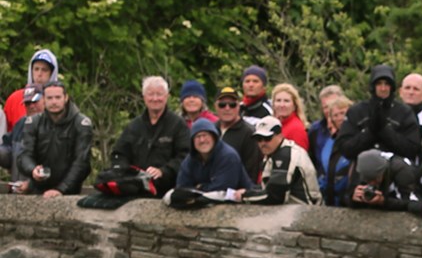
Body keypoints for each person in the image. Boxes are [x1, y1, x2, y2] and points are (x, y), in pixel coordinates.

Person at [79, 76, 190, 208]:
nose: (155, 98)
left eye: (159, 94)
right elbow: (119, 154)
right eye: (151, 94)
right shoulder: (134, 126)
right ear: (144, 97)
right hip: (135, 189)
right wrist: (126, 173)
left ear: (167, 96)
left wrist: (163, 171)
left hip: (165, 190)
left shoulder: (178, 125)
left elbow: (185, 156)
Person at [17, 81, 93, 196]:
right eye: (50, 98)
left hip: (69, 191)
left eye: (58, 97)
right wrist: (32, 170)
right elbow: (24, 155)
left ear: (66, 98)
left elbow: (82, 162)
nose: (54, 102)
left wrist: (61, 189)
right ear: (43, 100)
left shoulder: (81, 123)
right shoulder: (33, 122)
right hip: (38, 188)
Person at [335, 64, 421, 163]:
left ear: (392, 87)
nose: (383, 88)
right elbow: (344, 148)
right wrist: (369, 132)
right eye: (379, 84)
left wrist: (386, 131)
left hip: (395, 169)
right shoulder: (357, 111)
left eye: (386, 84)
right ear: (373, 86)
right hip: (362, 170)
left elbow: (412, 149)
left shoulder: (404, 112)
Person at [164, 118, 252, 208]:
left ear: (214, 137)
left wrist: (199, 187)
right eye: (198, 137)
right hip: (202, 205)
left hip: (237, 207)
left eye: (205, 135)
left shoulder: (228, 156)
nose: (202, 140)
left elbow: (222, 190)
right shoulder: (189, 160)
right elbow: (182, 189)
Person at [234, 116, 321, 205]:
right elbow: (267, 188)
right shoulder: (272, 152)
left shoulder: (286, 154)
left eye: (267, 138)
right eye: (259, 139)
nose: (263, 143)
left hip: (308, 210)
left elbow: (275, 197)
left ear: (280, 136)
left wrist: (245, 195)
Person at [3, 48, 60, 132]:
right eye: (36, 69)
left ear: (52, 73)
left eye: (44, 70)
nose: (39, 74)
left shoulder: (59, 100)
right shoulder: (15, 99)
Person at [214, 85, 262, 183]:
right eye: (222, 105)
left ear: (238, 106)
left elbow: (252, 171)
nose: (227, 108)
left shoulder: (249, 133)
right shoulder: (211, 130)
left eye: (232, 105)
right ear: (215, 106)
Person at [0, 85, 44, 184]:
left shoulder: (55, 126)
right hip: (18, 189)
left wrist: (30, 185)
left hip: (43, 192)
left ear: (44, 100)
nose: (31, 106)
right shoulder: (20, 124)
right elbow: (8, 152)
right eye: (28, 103)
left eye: (35, 101)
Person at [344, 149, 415, 210]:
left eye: (375, 179)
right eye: (368, 180)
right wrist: (353, 199)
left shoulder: (401, 170)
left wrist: (384, 201)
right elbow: (345, 198)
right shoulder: (361, 170)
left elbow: (411, 203)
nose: (372, 183)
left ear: (383, 171)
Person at [318, 95, 352, 206]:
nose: (340, 118)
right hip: (329, 202)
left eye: (343, 113)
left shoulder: (359, 140)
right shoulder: (330, 142)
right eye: (335, 115)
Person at [308, 85, 345, 174]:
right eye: (326, 107)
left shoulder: (352, 127)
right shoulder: (315, 130)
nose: (330, 110)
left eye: (334, 104)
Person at [271, 82, 310, 151]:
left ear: (294, 106)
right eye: (278, 100)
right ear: (273, 104)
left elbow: (300, 158)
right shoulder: (276, 125)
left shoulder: (296, 129)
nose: (282, 105)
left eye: (286, 101)